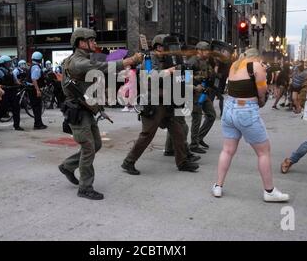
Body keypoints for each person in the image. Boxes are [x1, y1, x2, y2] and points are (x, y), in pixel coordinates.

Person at [59, 27, 143, 200]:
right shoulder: (77, 62)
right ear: (81, 42)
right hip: (78, 112)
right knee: (89, 147)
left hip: (87, 109)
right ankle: (85, 187)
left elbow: (86, 88)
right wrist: (130, 60)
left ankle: (68, 166)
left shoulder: (83, 59)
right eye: (92, 40)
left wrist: (99, 109)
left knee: (96, 144)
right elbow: (103, 66)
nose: (95, 43)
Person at [212, 48, 290, 202]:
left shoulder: (234, 65)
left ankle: (218, 186)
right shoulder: (256, 66)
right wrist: (261, 99)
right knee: (263, 151)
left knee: (227, 150)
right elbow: (262, 91)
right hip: (246, 110)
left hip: (229, 109)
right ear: (257, 57)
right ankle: (269, 191)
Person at [121, 34, 200, 177]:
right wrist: (168, 71)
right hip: (154, 102)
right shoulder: (150, 58)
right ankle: (129, 161)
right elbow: (150, 75)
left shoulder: (172, 59)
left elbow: (181, 78)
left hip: (169, 101)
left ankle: (182, 162)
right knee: (147, 134)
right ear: (159, 47)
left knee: (179, 131)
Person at [189, 41, 217, 153]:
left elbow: (210, 75)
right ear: (198, 50)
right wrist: (195, 87)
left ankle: (199, 137)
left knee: (211, 115)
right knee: (197, 118)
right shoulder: (192, 62)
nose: (207, 52)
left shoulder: (206, 61)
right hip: (195, 93)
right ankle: (194, 144)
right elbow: (185, 78)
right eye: (205, 50)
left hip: (204, 92)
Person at [0, 55, 24, 131]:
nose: (9, 64)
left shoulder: (11, 71)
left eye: (9, 62)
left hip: (13, 92)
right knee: (2, 110)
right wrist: (2, 87)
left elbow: (16, 81)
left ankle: (16, 125)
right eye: (7, 63)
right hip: (4, 93)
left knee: (16, 108)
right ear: (3, 63)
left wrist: (21, 84)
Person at [27, 52, 47, 130]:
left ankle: (39, 123)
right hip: (33, 89)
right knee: (37, 107)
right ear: (39, 59)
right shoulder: (36, 67)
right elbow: (34, 79)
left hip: (32, 89)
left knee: (37, 107)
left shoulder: (33, 66)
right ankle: (37, 124)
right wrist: (37, 90)